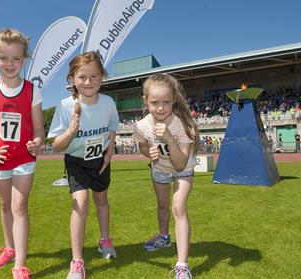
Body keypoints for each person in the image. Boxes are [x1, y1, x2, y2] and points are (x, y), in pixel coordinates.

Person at [0, 28, 45, 279]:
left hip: (24, 158)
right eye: (4, 58)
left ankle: (20, 265)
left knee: (19, 206)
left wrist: (37, 141)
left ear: (24, 60)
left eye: (16, 58)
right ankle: (10, 249)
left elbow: (38, 128)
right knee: (5, 206)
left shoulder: (32, 90)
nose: (10, 63)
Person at [47, 51, 119, 279]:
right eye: (82, 77)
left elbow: (112, 129)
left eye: (94, 77)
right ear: (72, 79)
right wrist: (70, 130)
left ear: (102, 77)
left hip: (100, 161)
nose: (88, 82)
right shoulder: (66, 106)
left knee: (101, 200)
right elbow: (57, 145)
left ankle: (104, 240)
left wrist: (109, 153)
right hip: (77, 162)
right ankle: (77, 261)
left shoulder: (108, 103)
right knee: (80, 202)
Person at [133, 73, 199, 279]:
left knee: (178, 207)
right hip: (160, 169)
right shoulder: (141, 125)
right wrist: (148, 153)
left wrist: (169, 137)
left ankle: (182, 265)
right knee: (162, 205)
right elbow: (143, 145)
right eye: (155, 103)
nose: (161, 108)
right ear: (146, 101)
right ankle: (164, 236)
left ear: (173, 101)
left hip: (182, 168)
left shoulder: (181, 124)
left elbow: (179, 164)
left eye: (166, 102)